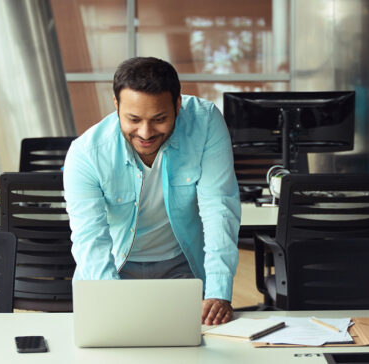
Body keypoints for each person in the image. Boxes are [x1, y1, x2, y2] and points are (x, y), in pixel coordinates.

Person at [63, 57, 241, 326]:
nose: (145, 132)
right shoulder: (86, 154)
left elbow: (219, 207)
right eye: (133, 119)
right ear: (116, 106)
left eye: (159, 119)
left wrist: (218, 290)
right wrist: (109, 298)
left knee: (192, 348)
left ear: (177, 105)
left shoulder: (204, 123)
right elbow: (90, 238)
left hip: (182, 266)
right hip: (113, 268)